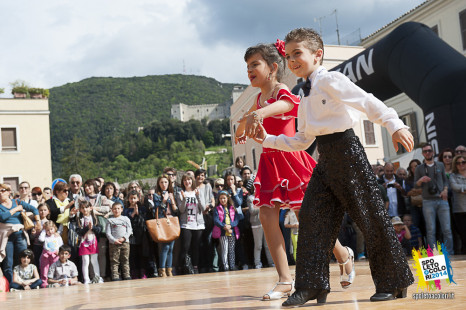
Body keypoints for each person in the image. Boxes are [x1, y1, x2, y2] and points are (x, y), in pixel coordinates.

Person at [251, 28, 414, 305]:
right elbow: (302, 140)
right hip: (325, 160)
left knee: (370, 219)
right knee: (313, 221)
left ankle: (393, 280)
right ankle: (312, 286)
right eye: (289, 56)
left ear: (318, 55)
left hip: (349, 154)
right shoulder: (303, 95)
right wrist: (267, 139)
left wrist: (394, 125)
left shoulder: (332, 80)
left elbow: (367, 101)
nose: (292, 60)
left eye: (297, 54)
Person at [236, 40, 355, 300]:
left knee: (309, 219)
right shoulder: (257, 99)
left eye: (255, 64)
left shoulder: (281, 90)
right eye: (247, 67)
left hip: (291, 162)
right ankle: (284, 280)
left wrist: (257, 114)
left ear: (273, 67)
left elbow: (288, 106)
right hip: (269, 164)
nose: (250, 70)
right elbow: (240, 128)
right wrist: (244, 125)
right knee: (268, 218)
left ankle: (344, 254)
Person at [415, 143, 453, 254]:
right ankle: (432, 253)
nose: (427, 153)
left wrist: (445, 190)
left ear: (433, 152)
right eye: (425, 151)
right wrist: (421, 180)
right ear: (423, 154)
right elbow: (416, 185)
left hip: (442, 200)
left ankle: (449, 252)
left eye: (429, 151)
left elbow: (445, 181)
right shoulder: (419, 168)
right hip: (427, 201)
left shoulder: (440, 165)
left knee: (447, 229)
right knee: (431, 230)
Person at [0, 183, 41, 285]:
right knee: (8, 263)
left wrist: (38, 221)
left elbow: (34, 209)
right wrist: (16, 209)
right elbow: (2, 217)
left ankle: (27, 283)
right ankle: (12, 284)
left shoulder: (17, 201)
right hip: (6, 236)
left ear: (9, 192)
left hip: (20, 235)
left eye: (2, 190)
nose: (0, 193)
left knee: (24, 259)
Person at [146, 175, 178, 277]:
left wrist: (172, 201)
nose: (164, 184)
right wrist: (164, 200)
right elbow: (156, 210)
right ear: (158, 184)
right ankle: (162, 269)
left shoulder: (171, 194)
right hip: (162, 221)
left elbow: (175, 210)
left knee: (171, 248)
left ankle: (169, 269)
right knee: (165, 247)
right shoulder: (156, 195)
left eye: (165, 182)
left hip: (171, 221)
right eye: (161, 182)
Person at [176, 174, 206, 274]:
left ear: (192, 181)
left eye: (189, 180)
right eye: (185, 180)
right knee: (185, 247)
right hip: (186, 224)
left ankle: (195, 267)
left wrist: (197, 196)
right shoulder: (180, 193)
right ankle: (183, 267)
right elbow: (181, 209)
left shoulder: (198, 192)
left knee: (196, 247)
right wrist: (184, 199)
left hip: (198, 224)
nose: (187, 182)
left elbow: (203, 208)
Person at [75, 199, 103, 284]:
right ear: (80, 209)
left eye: (86, 207)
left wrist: (93, 228)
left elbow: (99, 229)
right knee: (85, 261)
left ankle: (97, 277)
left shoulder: (94, 218)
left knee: (94, 260)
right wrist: (87, 227)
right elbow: (79, 231)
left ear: (90, 208)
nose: (85, 209)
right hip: (84, 242)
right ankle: (86, 279)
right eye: (82, 208)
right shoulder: (79, 219)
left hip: (93, 241)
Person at [123, 190, 148, 279]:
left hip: (141, 234)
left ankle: (142, 271)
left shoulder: (142, 208)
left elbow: (144, 220)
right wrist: (133, 214)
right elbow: (125, 221)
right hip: (131, 234)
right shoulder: (126, 210)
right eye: (131, 198)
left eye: (134, 198)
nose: (133, 200)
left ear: (138, 198)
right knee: (132, 254)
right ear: (128, 199)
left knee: (141, 253)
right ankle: (134, 272)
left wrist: (138, 213)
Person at [213, 191, 240, 271]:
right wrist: (224, 226)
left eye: (224, 198)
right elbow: (216, 220)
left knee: (231, 250)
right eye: (221, 198)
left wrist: (231, 226)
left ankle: (232, 266)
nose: (222, 200)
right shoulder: (217, 209)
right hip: (223, 232)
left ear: (228, 198)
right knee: (225, 250)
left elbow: (236, 219)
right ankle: (226, 266)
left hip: (232, 231)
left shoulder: (232, 207)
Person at [106, 202, 132, 281]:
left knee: (125, 259)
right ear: (112, 210)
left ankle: (126, 275)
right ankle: (115, 276)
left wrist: (124, 238)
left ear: (121, 209)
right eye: (114, 209)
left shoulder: (126, 219)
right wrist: (114, 240)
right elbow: (108, 233)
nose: (116, 210)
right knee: (114, 261)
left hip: (125, 243)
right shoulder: (110, 220)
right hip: (114, 244)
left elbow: (129, 230)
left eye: (118, 208)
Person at [449, 155, 466, 254]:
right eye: (458, 163)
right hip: (459, 210)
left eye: (463, 162)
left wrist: (462, 188)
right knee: (463, 235)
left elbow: (459, 188)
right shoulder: (453, 176)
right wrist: (461, 189)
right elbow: (454, 187)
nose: (461, 164)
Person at [38, 221, 63, 287]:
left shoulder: (57, 236)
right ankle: (44, 282)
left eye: (51, 229)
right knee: (44, 268)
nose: (50, 231)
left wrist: (58, 251)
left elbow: (61, 244)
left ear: (54, 228)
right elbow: (41, 239)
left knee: (55, 267)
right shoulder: (45, 237)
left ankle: (55, 280)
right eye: (47, 230)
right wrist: (43, 230)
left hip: (55, 255)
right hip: (46, 254)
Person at [30, 203, 51, 269]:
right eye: (41, 210)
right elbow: (32, 237)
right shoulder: (34, 222)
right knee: (37, 262)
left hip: (47, 246)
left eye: (45, 210)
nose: (43, 212)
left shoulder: (50, 222)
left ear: (48, 211)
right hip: (37, 246)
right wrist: (33, 233)